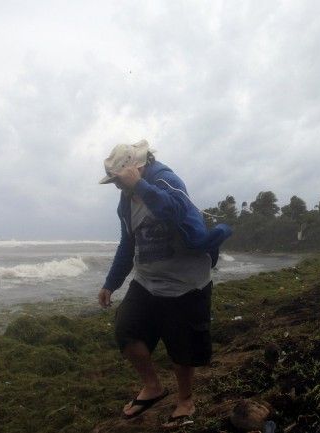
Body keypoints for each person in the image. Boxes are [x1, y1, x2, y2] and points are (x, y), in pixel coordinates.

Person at [97, 140, 232, 427]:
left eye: (118, 179)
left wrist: (142, 187)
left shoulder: (166, 180)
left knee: (182, 348)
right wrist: (111, 283)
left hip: (186, 283)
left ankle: (185, 401)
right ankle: (153, 387)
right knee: (126, 332)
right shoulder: (126, 200)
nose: (116, 185)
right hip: (146, 281)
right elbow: (128, 242)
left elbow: (176, 211)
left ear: (136, 168)